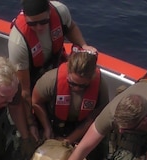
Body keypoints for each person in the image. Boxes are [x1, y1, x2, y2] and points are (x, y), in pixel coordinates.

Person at [8, 0, 97, 151]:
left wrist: (83, 45)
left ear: (49, 12)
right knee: (25, 130)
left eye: (43, 22)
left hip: (53, 65)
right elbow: (24, 90)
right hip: (29, 77)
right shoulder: (18, 42)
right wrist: (31, 123)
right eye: (32, 24)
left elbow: (71, 27)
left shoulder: (60, 11)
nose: (39, 27)